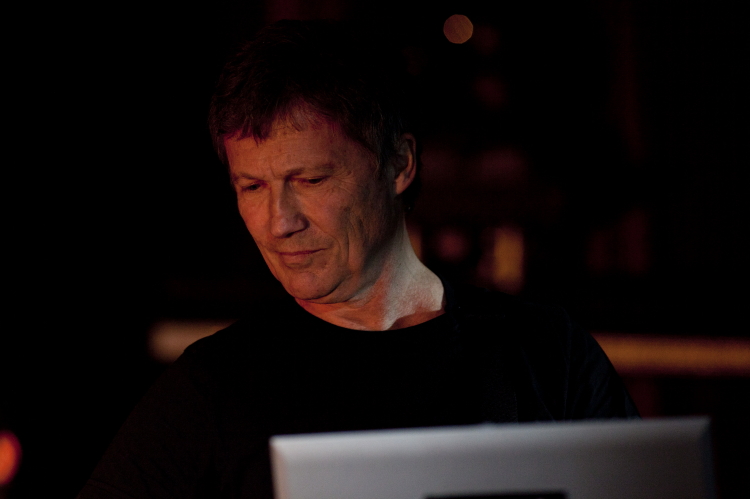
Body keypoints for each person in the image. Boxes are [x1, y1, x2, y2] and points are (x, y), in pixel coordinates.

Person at [78, 19, 637, 499]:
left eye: (310, 180)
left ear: (399, 165)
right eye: (252, 187)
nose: (279, 222)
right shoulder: (211, 388)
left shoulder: (547, 353)